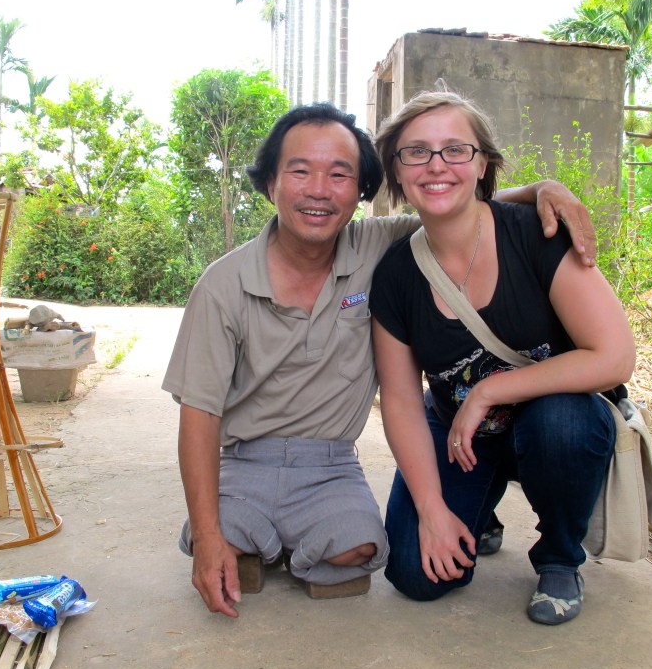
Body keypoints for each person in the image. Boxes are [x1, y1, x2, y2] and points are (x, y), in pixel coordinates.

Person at [162, 102, 597, 619]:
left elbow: (456, 203)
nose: (319, 190)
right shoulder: (224, 284)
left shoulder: (378, 245)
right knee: (232, 539)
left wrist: (542, 189)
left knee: (360, 547)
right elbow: (200, 414)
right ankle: (245, 539)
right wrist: (208, 536)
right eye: (299, 171)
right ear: (270, 185)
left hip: (331, 464)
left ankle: (552, 556)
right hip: (248, 460)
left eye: (339, 174)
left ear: (362, 190)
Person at [369, 90, 635, 625]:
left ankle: (560, 558)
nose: (436, 165)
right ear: (396, 172)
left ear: (483, 162)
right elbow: (399, 399)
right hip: (460, 434)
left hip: (551, 424)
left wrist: (489, 390)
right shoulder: (396, 274)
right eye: (416, 152)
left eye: (455, 150)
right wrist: (431, 510)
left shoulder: (536, 235)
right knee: (414, 575)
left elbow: (613, 356)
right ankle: (477, 508)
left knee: (559, 422)